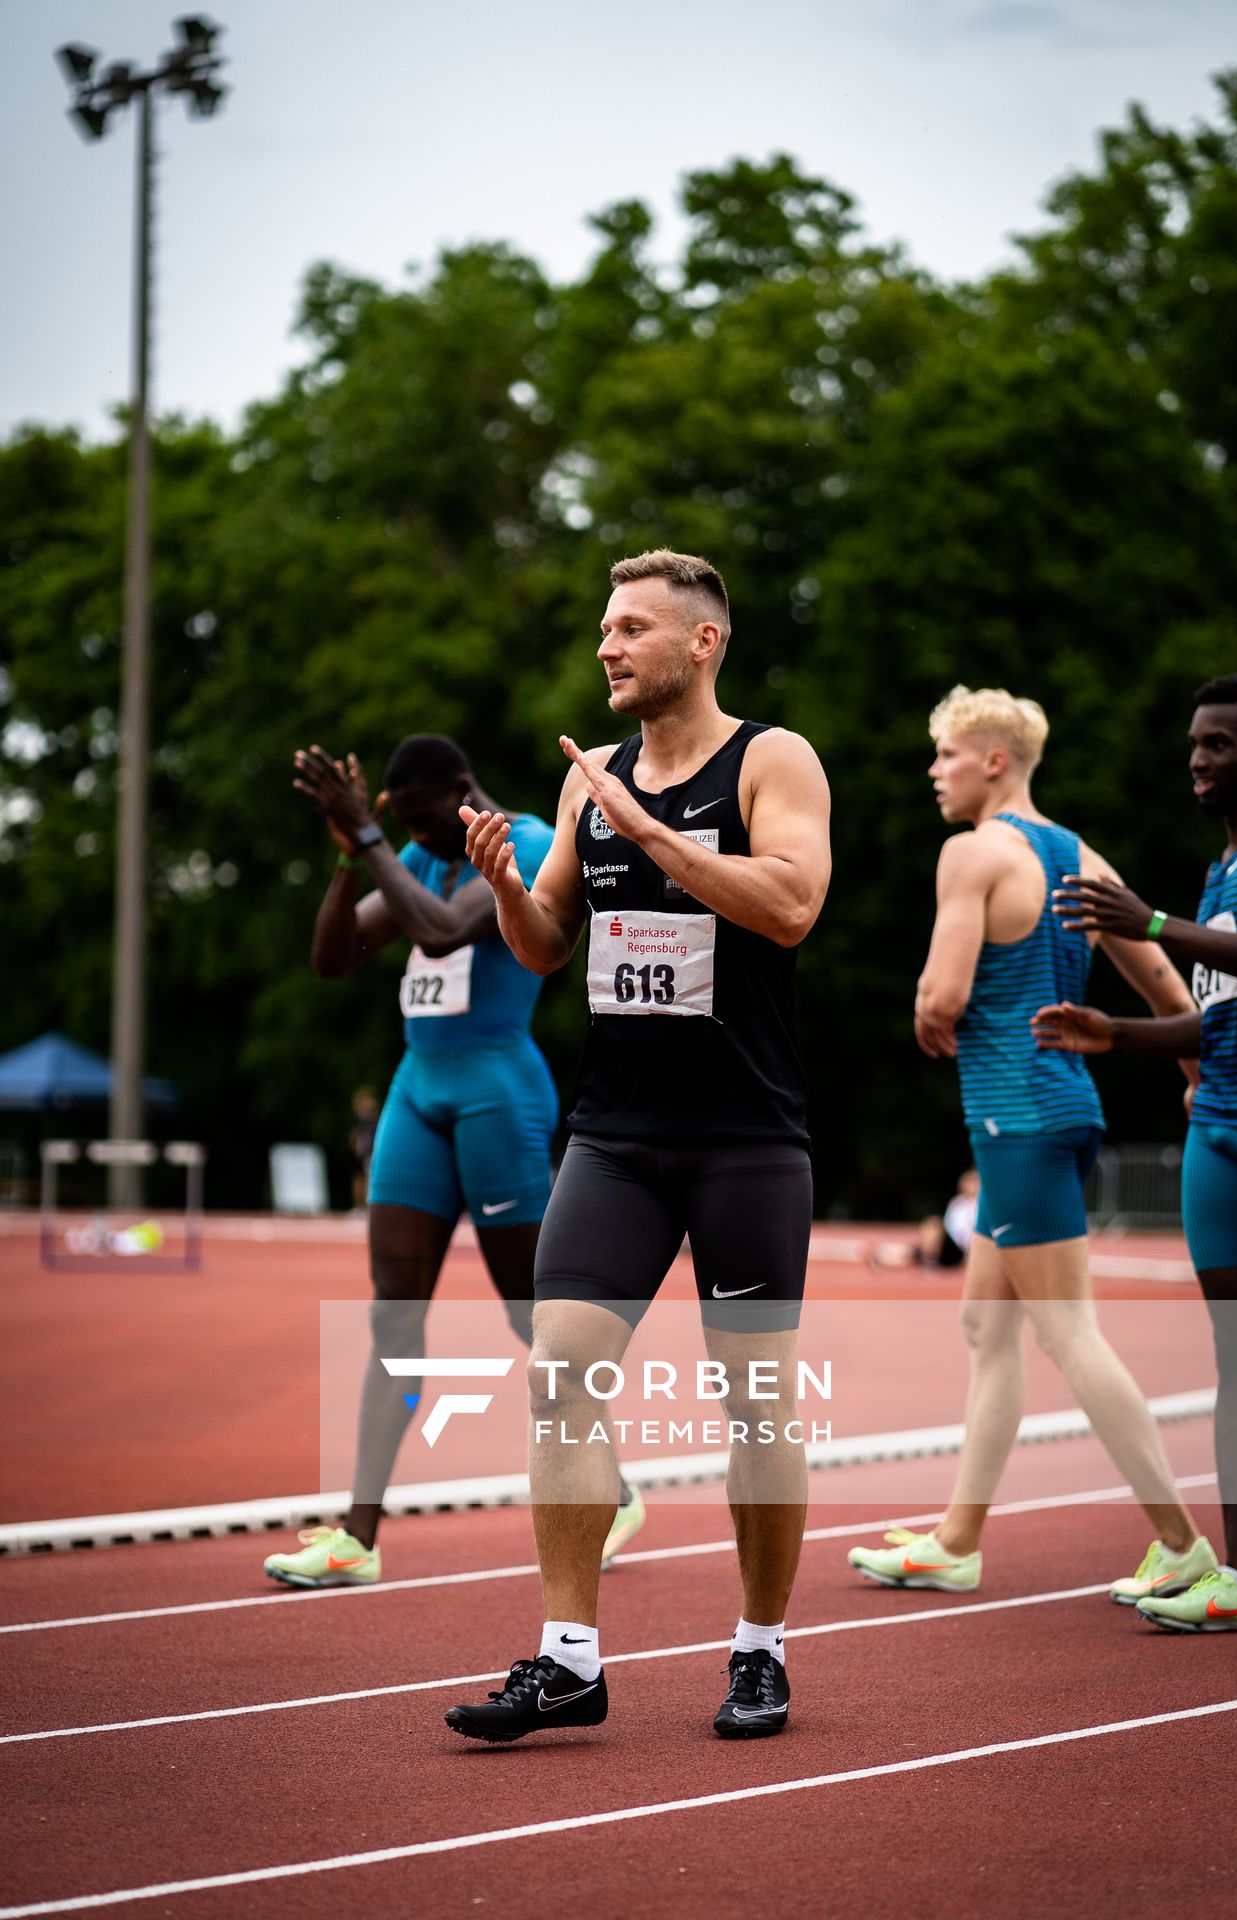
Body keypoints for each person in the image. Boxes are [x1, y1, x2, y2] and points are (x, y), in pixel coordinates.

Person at [443, 549, 831, 1743]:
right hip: (612, 1135)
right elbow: (553, 942)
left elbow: (790, 905)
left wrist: (652, 833)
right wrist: (508, 890)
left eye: (628, 629)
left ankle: (758, 1650)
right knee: (558, 1372)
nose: (604, 648)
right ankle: (569, 1660)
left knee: (754, 1405)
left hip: (743, 1137)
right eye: (601, 630)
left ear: (699, 642)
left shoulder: (770, 759)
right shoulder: (587, 780)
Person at [850, 685, 1213, 1603]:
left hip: (1020, 1121)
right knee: (988, 1326)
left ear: (995, 762)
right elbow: (1163, 975)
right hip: (1061, 1113)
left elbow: (940, 994)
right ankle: (956, 1540)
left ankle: (1181, 1542)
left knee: (1069, 1333)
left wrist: (933, 1012)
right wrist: (1187, 1057)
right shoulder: (1076, 854)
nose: (934, 772)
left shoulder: (971, 854)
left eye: (946, 757)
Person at [268, 734, 644, 1589]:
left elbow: (437, 932)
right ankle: (357, 1535)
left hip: (497, 1092)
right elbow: (333, 959)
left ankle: (614, 1491)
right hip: (418, 1089)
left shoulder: (529, 846)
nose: (421, 841)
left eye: (426, 821)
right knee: (392, 1316)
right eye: (403, 827)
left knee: (532, 1320)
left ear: (462, 791)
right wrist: (346, 859)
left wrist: (371, 840)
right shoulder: (410, 851)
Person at [1035, 669, 1237, 1632]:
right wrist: (1117, 1035)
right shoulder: (1221, 870)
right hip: (1219, 1131)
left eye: (1218, 743)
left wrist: (1149, 926)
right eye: (1192, 743)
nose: (1197, 758)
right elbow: (1225, 1018)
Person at [348, 1086, 381, 1211]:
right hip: (360, 1154)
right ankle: (359, 1206)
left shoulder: (375, 1120)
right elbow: (353, 1136)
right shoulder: (358, 1121)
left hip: (370, 1154)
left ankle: (369, 1205)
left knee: (369, 1177)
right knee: (359, 1179)